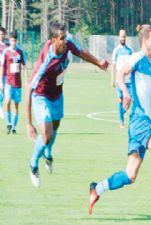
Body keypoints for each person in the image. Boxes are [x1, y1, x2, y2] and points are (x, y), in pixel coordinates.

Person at [88, 24, 151, 215]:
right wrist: (125, 92)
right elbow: (120, 73)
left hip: (139, 123)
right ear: (144, 42)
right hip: (139, 119)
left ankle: (97, 188)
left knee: (130, 175)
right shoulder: (137, 58)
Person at [26, 22, 109, 188]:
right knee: (47, 134)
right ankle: (33, 164)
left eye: (65, 37)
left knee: (56, 126)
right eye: (62, 39)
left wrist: (98, 63)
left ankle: (48, 154)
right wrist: (28, 123)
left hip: (57, 94)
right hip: (41, 96)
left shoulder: (67, 43)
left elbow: (81, 52)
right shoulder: (46, 60)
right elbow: (29, 88)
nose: (65, 41)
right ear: (53, 40)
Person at [0, 31, 28, 134]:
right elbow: (2, 67)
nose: (13, 42)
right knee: (7, 102)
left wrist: (27, 80)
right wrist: (1, 82)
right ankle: (8, 123)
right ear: (9, 40)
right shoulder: (6, 52)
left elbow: (24, 66)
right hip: (8, 82)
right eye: (12, 40)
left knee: (16, 105)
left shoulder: (20, 52)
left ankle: (14, 127)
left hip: (18, 83)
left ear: (17, 40)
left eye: (15, 40)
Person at [111, 29, 134, 128]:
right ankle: (121, 121)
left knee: (129, 100)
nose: (123, 38)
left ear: (126, 37)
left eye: (124, 36)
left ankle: (122, 112)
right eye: (121, 36)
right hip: (119, 81)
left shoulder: (130, 50)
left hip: (129, 80)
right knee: (120, 100)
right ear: (119, 37)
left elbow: (133, 65)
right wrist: (112, 79)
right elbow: (113, 66)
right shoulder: (116, 50)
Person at [0, 27, 9, 119]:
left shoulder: (7, 46)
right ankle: (1, 110)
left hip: (7, 73)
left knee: (6, 92)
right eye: (0, 34)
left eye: (2, 34)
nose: (1, 36)